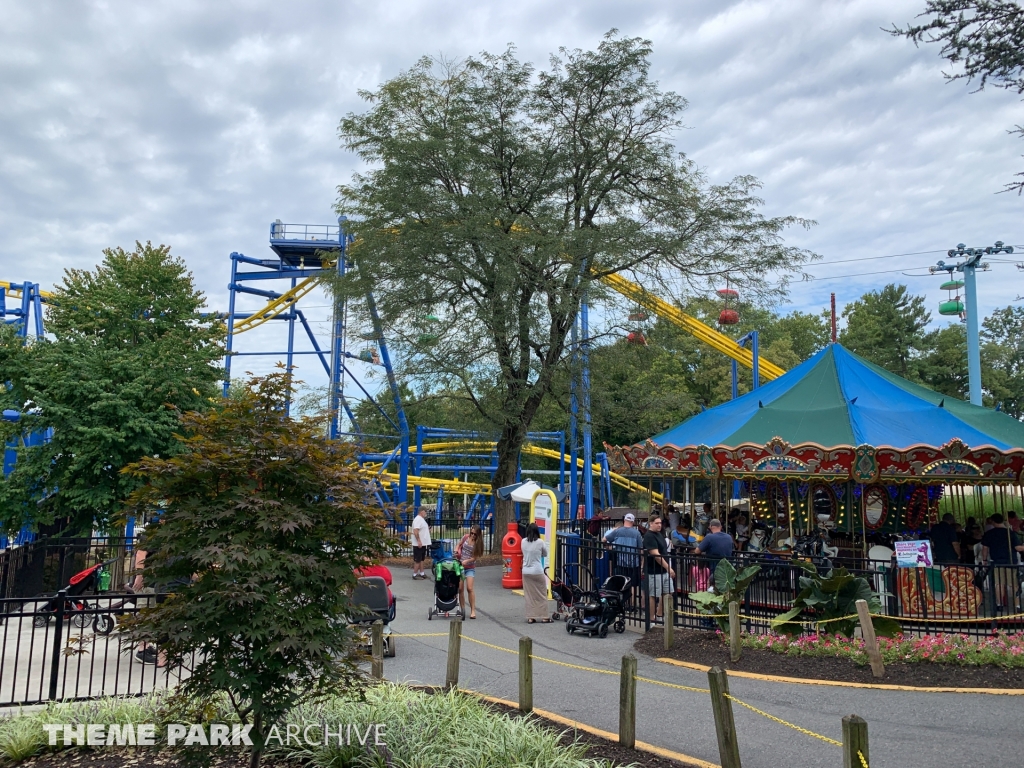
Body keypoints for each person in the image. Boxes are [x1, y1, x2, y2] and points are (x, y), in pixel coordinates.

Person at [981, 514, 1024, 611]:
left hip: (996, 562)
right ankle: (1017, 605)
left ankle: (999, 604)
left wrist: (984, 560)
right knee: (1014, 584)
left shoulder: (989, 533)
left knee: (999, 583)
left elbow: (985, 548)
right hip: (1010, 562)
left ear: (993, 521)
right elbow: (1018, 548)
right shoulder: (1010, 533)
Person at [604, 513, 644, 603]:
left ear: (624, 520)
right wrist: (642, 564)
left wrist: (609, 547)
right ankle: (632, 605)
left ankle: (621, 604)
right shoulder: (637, 533)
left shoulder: (617, 531)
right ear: (633, 522)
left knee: (621, 583)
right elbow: (641, 550)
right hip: (634, 563)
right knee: (633, 585)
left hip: (620, 562)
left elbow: (604, 539)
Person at [642, 516, 675, 624]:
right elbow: (656, 555)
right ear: (651, 523)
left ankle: (660, 614)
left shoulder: (659, 534)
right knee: (653, 595)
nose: (659, 525)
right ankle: (652, 620)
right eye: (656, 523)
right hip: (654, 571)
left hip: (663, 570)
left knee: (668, 592)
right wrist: (669, 568)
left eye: (660, 523)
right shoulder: (649, 536)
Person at [521, 523, 551, 624]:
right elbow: (545, 553)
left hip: (526, 571)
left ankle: (531, 617)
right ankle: (544, 617)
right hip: (537, 571)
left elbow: (523, 552)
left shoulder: (523, 541)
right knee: (542, 593)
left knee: (529, 595)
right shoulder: (540, 542)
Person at [455, 524, 484, 619]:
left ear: (478, 535)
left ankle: (473, 611)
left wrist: (466, 561)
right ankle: (462, 609)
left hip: (470, 567)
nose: (472, 535)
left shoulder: (478, 544)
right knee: (460, 588)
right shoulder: (465, 537)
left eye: (475, 534)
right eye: (471, 533)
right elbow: (459, 544)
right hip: (460, 565)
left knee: (470, 588)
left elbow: (474, 558)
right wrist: (456, 550)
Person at [411, 507, 432, 579]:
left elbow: (421, 530)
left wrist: (427, 530)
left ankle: (422, 573)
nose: (426, 513)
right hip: (418, 544)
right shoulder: (418, 519)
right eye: (425, 511)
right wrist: (419, 541)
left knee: (422, 559)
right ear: (422, 511)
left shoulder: (422, 520)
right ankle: (414, 574)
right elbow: (416, 530)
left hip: (423, 543)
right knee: (418, 559)